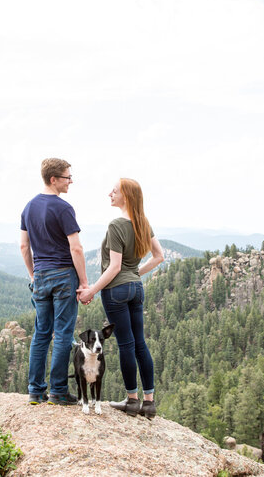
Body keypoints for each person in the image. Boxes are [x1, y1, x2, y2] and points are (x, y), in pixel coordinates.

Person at [77, 178, 164, 418]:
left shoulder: (116, 224)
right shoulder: (143, 222)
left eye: (114, 191)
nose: (109, 194)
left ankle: (132, 400)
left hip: (116, 290)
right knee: (140, 344)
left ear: (125, 195)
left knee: (126, 344)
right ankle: (149, 402)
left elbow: (114, 267)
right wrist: (135, 273)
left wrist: (91, 290)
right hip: (136, 288)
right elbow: (159, 257)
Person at [20, 158, 88, 406]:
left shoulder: (28, 208)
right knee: (62, 334)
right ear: (53, 179)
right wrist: (83, 282)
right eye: (67, 177)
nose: (71, 181)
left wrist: (33, 274)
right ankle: (58, 391)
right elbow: (76, 248)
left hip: (41, 275)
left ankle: (35, 392)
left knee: (40, 334)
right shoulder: (63, 208)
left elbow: (24, 245)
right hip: (63, 275)